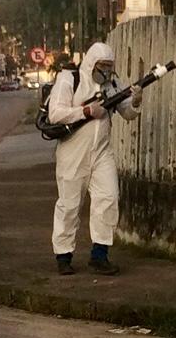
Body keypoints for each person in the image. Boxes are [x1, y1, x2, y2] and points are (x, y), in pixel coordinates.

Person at [48, 42, 143, 276]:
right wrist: (87, 111)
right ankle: (63, 256)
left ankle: (100, 255)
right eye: (102, 66)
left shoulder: (112, 84)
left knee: (108, 198)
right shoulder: (70, 80)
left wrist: (137, 100)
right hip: (73, 153)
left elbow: (127, 112)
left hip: (101, 152)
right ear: (91, 63)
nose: (106, 71)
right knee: (69, 205)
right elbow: (56, 113)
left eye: (109, 67)